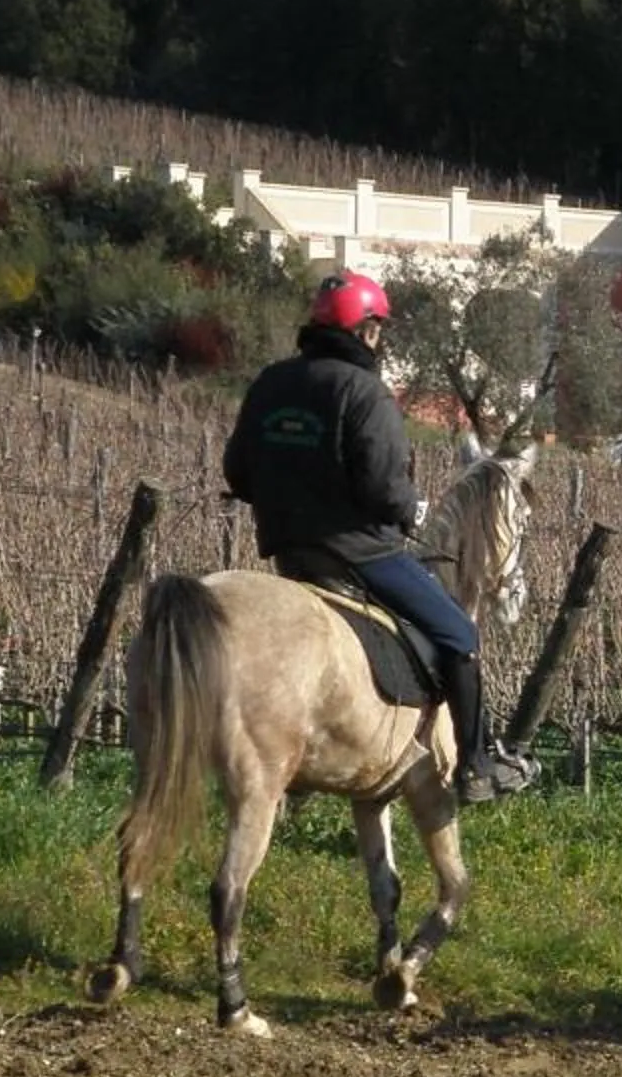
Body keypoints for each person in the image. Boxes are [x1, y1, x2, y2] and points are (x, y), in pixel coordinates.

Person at [224, 270, 535, 807]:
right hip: (359, 554)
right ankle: (476, 766)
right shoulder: (366, 392)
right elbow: (381, 487)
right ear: (367, 331)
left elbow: (238, 473)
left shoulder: (270, 383)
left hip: (289, 551)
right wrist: (407, 508)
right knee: (459, 634)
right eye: (378, 328)